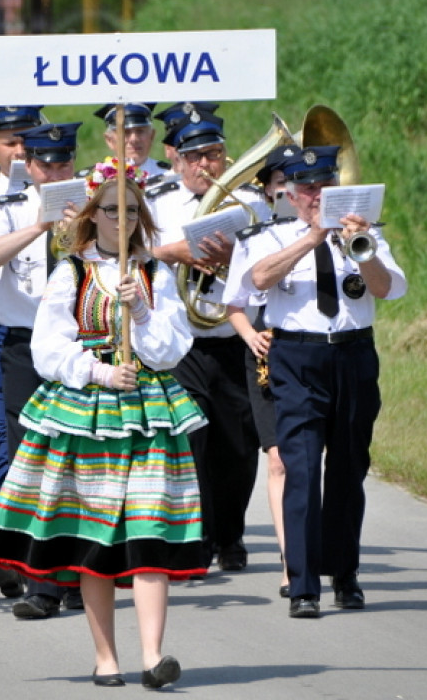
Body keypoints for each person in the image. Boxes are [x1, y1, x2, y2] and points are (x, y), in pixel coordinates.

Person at [0, 159, 206, 689]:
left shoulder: (156, 274)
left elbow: (172, 351)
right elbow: (46, 350)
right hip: (88, 412)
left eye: (132, 211)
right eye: (112, 210)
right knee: (94, 535)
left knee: (149, 526)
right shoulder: (70, 273)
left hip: (148, 413)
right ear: (93, 215)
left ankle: (154, 657)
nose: (122, 220)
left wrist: (142, 313)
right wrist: (99, 371)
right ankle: (106, 659)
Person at [223, 144, 407, 618]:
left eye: (324, 186)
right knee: (301, 468)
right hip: (296, 357)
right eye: (306, 189)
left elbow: (386, 288)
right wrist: (311, 238)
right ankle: (303, 585)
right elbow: (255, 280)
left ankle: (345, 574)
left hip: (353, 354)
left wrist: (360, 248)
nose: (315, 196)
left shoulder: (366, 233)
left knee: (349, 467)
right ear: (289, 194)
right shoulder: (267, 236)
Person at [145, 106, 270, 573]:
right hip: (183, 344)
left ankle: (230, 535)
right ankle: (196, 539)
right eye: (195, 156)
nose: (205, 165)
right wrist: (173, 252)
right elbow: (133, 255)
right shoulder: (157, 202)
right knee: (190, 441)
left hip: (236, 339)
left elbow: (270, 261)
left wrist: (237, 255)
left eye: (213, 154)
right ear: (176, 159)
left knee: (238, 446)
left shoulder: (251, 202)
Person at [0, 120, 83, 618]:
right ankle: (41, 583)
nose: (55, 173)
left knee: (82, 464)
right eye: (46, 165)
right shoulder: (4, 206)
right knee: (31, 462)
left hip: (81, 348)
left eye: (64, 163)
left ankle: (78, 575)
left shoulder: (97, 205)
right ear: (29, 166)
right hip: (24, 346)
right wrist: (38, 226)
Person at [225, 144, 300, 599]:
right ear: (268, 191)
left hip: (317, 354)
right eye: (281, 184)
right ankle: (293, 563)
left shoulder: (331, 232)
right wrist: (250, 336)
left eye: (298, 183)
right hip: (268, 353)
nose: (290, 191)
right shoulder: (255, 237)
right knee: (278, 458)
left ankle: (323, 548)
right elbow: (235, 303)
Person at [93, 103, 168, 178]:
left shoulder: (168, 176)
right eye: (126, 132)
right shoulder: (95, 178)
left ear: (152, 136)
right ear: (109, 140)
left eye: (140, 131)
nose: (134, 139)